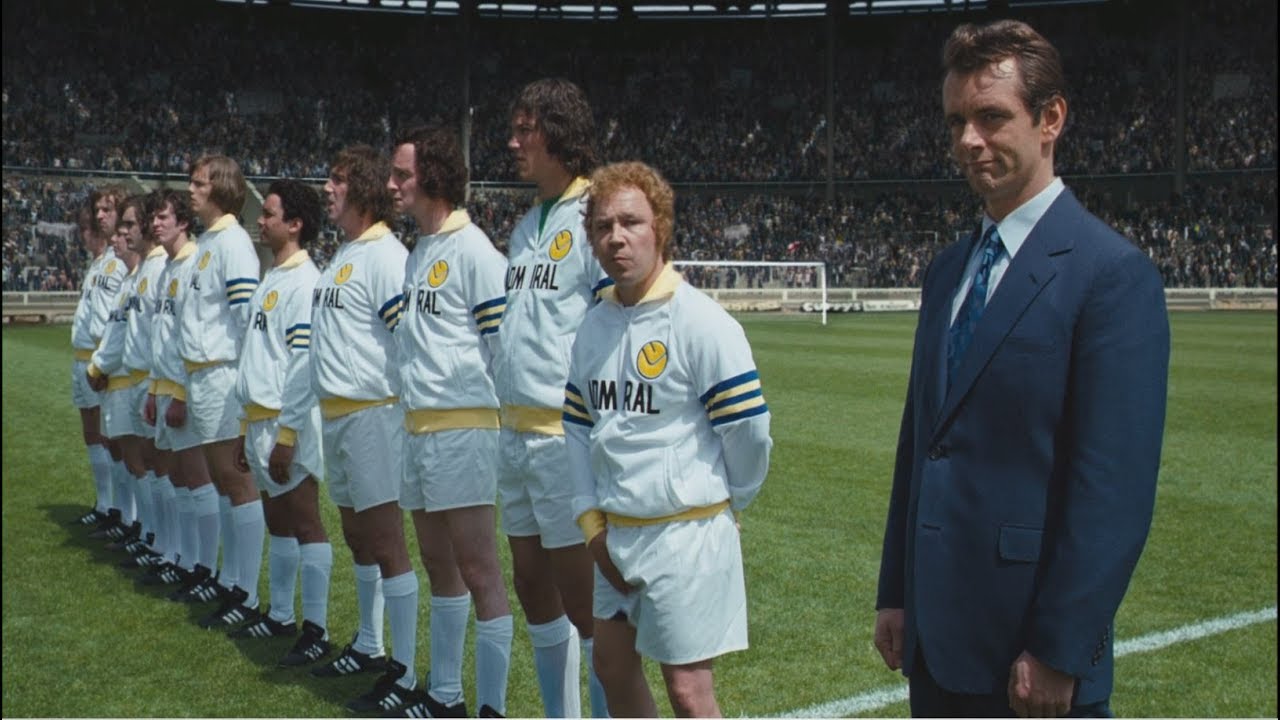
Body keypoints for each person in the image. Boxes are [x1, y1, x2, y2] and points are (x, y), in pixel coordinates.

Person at [873, 19, 1170, 718]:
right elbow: (920, 445)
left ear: (1051, 119)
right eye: (956, 122)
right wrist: (897, 591)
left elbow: (1114, 490)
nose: (968, 140)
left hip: (1030, 659)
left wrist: (1061, 648)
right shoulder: (947, 272)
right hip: (934, 645)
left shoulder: (1111, 275)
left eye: (991, 117)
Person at [564, 161, 772, 718]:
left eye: (630, 222)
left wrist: (730, 502)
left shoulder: (702, 322)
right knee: (611, 666)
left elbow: (749, 432)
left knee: (688, 691)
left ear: (659, 226)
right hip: (614, 534)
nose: (616, 237)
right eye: (603, 226)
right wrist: (590, 524)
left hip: (685, 535)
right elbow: (577, 428)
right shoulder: (592, 327)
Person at [494, 77, 612, 719]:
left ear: (558, 133)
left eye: (525, 130)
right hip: (513, 434)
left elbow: (613, 327)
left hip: (562, 438)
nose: (513, 143)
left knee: (584, 603)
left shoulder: (594, 215)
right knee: (533, 590)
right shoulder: (522, 228)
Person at [388, 126, 512, 718]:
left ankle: (492, 707)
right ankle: (445, 695)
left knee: (479, 569)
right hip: (419, 429)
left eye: (402, 174)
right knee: (439, 565)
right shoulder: (419, 252)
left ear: (433, 175)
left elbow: (503, 349)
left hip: (463, 431)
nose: (392, 185)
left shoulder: (475, 252)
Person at [307, 145, 415, 716]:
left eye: (339, 179)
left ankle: (406, 668)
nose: (328, 188)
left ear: (366, 190)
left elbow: (407, 339)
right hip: (338, 414)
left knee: (387, 543)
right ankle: (371, 643)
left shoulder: (386, 257)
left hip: (375, 413)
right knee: (357, 536)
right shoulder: (344, 253)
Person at [229, 179, 336, 671]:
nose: (261, 221)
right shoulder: (271, 277)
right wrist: (242, 428)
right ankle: (280, 614)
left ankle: (316, 628)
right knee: (278, 522)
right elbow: (255, 358)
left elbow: (302, 365)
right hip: (258, 421)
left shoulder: (304, 282)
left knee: (305, 520)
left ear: (295, 224)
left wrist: (288, 435)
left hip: (286, 422)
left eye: (270, 214)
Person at [177, 155, 265, 626]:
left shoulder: (232, 242)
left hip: (223, 374)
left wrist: (246, 385)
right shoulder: (208, 241)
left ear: (222, 188)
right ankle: (232, 579)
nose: (190, 190)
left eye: (199, 183)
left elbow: (246, 319)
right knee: (223, 483)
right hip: (201, 374)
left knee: (236, 483)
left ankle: (245, 590)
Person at [87, 194, 168, 563]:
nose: (121, 236)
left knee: (151, 467)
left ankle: (154, 536)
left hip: (146, 380)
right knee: (142, 465)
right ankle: (148, 532)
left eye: (129, 227)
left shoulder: (157, 268)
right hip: (135, 380)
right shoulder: (137, 274)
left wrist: (101, 365)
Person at [139, 189, 213, 590]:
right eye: (152, 217)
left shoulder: (192, 264)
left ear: (183, 221)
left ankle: (206, 568)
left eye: (163, 217)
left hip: (185, 388)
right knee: (180, 480)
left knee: (197, 480)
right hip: (164, 385)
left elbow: (194, 336)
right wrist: (154, 389)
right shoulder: (168, 267)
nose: (155, 224)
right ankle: (183, 558)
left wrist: (181, 393)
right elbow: (162, 338)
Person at [69, 197, 126, 529]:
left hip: (98, 359)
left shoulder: (116, 261)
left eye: (85, 228)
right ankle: (105, 503)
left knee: (109, 438)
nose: (83, 235)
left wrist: (102, 362)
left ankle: (117, 508)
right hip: (82, 357)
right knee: (92, 434)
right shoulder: (97, 264)